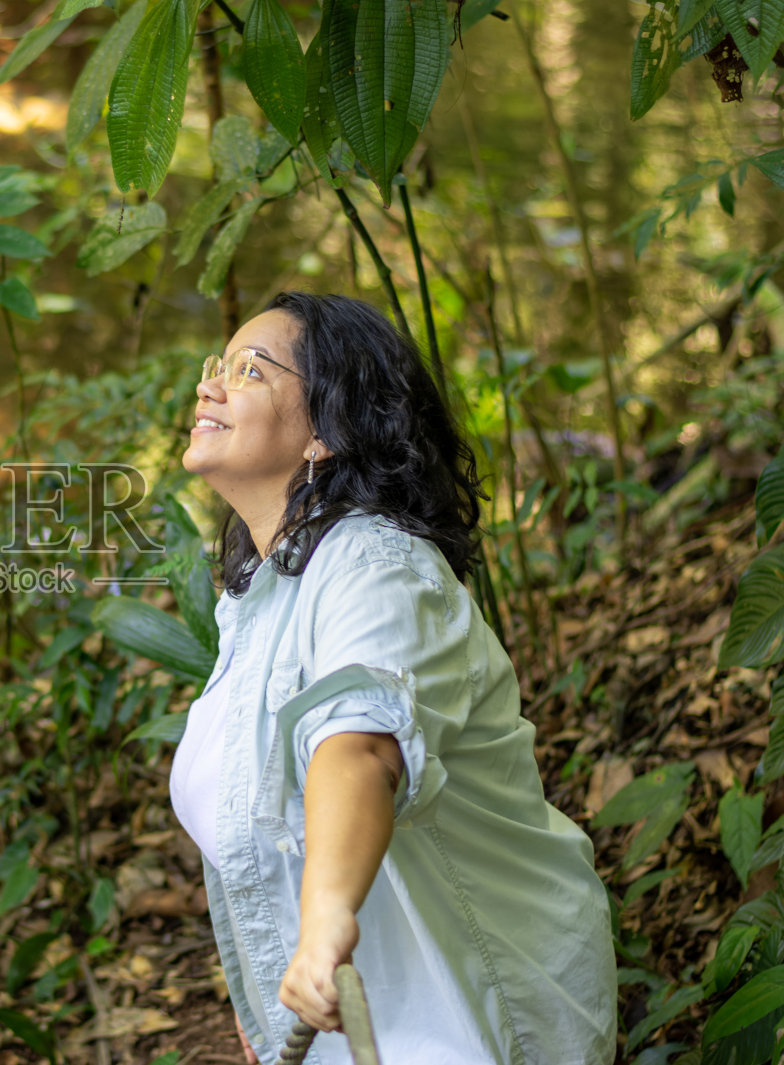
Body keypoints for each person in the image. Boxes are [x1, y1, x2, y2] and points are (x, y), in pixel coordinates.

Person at [169, 292, 617, 1065]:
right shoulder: (260, 596)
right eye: (217, 366)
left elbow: (359, 747)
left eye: (248, 369)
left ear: (327, 430)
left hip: (471, 1022)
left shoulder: (376, 564)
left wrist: (323, 923)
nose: (210, 386)